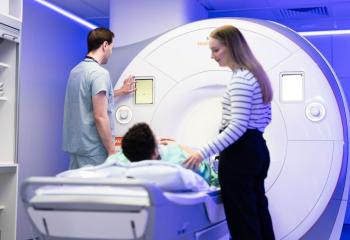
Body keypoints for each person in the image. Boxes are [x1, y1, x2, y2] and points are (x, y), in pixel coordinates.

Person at [184, 25, 275, 240]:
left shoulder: (241, 80)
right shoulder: (255, 75)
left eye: (216, 50)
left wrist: (201, 153)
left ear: (231, 47)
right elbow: (266, 118)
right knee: (258, 212)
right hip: (256, 149)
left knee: (242, 220)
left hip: (240, 155)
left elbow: (237, 127)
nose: (212, 56)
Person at [62, 27, 135, 169]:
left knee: (77, 189)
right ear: (105, 45)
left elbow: (88, 97)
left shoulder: (75, 71)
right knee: (95, 190)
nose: (111, 53)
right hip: (94, 150)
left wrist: (120, 91)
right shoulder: (100, 73)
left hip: (77, 148)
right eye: (112, 48)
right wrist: (111, 151)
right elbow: (100, 116)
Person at [119, 122, 218, 186]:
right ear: (154, 151)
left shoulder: (121, 158)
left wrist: (155, 142)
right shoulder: (180, 162)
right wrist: (180, 146)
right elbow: (210, 175)